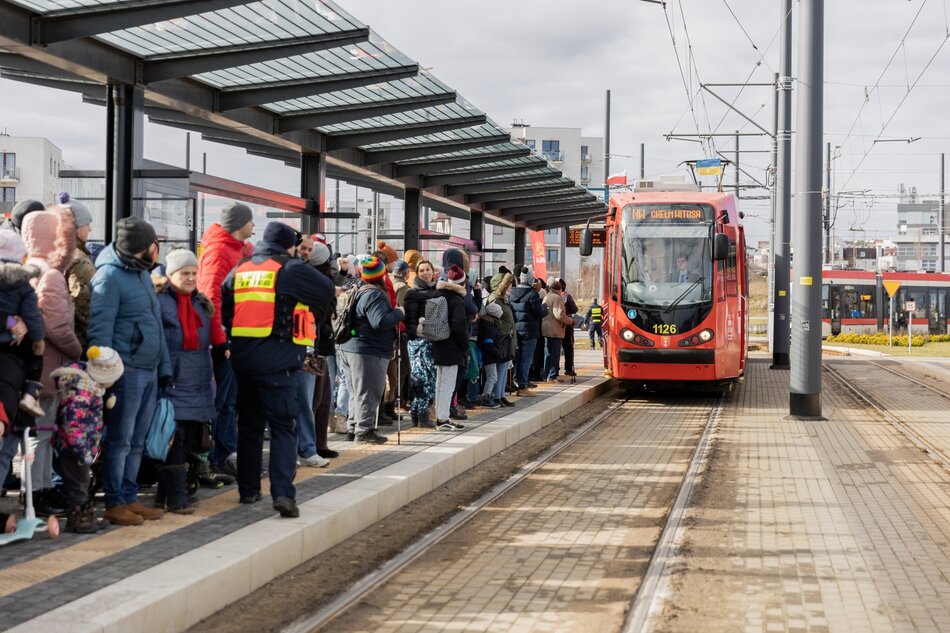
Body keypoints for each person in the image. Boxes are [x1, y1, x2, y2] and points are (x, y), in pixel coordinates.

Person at [221, 222, 334, 517]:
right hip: (279, 361)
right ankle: (283, 494)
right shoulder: (289, 268)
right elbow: (325, 290)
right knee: (284, 427)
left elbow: (226, 310)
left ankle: (248, 490)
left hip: (244, 361)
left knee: (249, 426)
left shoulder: (241, 268)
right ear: (289, 245)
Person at [88, 217, 171, 526]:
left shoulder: (140, 273)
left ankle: (129, 496)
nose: (156, 250)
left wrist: (164, 368)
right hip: (126, 372)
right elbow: (99, 332)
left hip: (148, 369)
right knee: (120, 440)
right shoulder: (109, 277)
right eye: (152, 245)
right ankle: (113, 502)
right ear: (141, 248)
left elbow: (156, 327)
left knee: (136, 440)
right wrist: (106, 377)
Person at [23, 206, 84, 517]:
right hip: (49, 370)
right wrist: (76, 350)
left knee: (32, 435)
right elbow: (57, 326)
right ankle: (39, 492)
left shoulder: (24, 269)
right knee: (43, 434)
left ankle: (38, 491)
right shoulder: (52, 276)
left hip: (27, 370)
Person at [155, 249, 218, 514]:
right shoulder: (160, 302)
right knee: (174, 441)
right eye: (185, 273)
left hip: (198, 382)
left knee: (191, 439)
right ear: (170, 275)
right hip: (173, 381)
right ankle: (176, 498)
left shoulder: (200, 304)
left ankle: (165, 496)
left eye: (194, 273)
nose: (191, 277)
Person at [197, 201, 254, 481]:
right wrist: (222, 340)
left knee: (230, 400)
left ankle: (224, 455)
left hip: (235, 336)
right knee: (221, 401)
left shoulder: (234, 250)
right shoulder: (219, 250)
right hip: (225, 340)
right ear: (239, 223)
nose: (254, 226)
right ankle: (214, 458)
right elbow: (211, 297)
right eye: (250, 221)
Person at [51, 345, 123, 533]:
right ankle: (80, 519)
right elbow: (72, 424)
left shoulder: (92, 388)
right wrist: (82, 450)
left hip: (81, 445)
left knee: (81, 482)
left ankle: (83, 515)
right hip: (74, 446)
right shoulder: (82, 392)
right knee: (79, 483)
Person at [337, 255, 404, 444]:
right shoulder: (373, 294)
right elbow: (379, 322)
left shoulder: (357, 288)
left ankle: (354, 427)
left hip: (349, 346)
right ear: (381, 274)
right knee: (368, 391)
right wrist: (399, 313)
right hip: (367, 350)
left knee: (355, 391)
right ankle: (364, 431)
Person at [0, 229, 46, 500]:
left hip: (11, 363)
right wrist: (34, 336)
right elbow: (33, 318)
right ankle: (31, 392)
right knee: (8, 445)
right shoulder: (24, 285)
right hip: (14, 364)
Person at [291, 233, 329, 469]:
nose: (305, 252)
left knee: (305, 401)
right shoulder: (288, 273)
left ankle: (306, 449)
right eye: (302, 248)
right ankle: (293, 449)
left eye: (309, 249)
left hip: (305, 345)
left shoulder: (309, 274)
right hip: (285, 346)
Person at [307, 241, 339, 460]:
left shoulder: (321, 280)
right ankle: (312, 446)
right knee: (315, 399)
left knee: (323, 398)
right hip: (313, 346)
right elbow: (318, 313)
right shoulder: (314, 283)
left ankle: (319, 443)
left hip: (320, 345)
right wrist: (326, 329)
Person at [431, 265, 469, 431]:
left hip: (437, 344)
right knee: (447, 384)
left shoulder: (437, 295)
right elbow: (459, 326)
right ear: (462, 283)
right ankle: (443, 418)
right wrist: (464, 346)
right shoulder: (456, 300)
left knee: (439, 383)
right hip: (452, 347)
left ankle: (440, 416)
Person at [403, 259, 438, 428]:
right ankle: (422, 416)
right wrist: (417, 331)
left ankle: (418, 415)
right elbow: (409, 319)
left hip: (433, 340)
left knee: (429, 378)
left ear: (433, 272)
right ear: (417, 274)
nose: (425, 273)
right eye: (422, 270)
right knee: (421, 379)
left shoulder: (438, 290)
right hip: (419, 341)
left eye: (428, 269)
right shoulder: (413, 292)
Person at [60, 193, 96, 348]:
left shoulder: (57, 252)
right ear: (76, 226)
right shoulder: (79, 260)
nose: (90, 228)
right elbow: (83, 305)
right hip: (80, 341)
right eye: (87, 223)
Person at [509, 267, 547, 396]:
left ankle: (515, 382)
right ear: (531, 279)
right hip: (529, 332)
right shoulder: (533, 294)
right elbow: (540, 313)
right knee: (526, 359)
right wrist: (545, 306)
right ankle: (522, 387)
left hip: (516, 331)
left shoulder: (512, 292)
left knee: (517, 358)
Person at [486, 271, 516, 407]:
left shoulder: (504, 300)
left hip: (506, 339)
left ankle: (500, 394)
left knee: (504, 368)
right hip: (500, 339)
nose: (510, 287)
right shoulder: (494, 299)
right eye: (508, 284)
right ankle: (496, 396)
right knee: (499, 370)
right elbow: (492, 317)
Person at [541, 280, 574, 382]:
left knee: (548, 353)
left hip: (546, 329)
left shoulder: (546, 297)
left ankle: (545, 374)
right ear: (559, 289)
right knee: (555, 354)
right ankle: (552, 376)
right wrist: (571, 320)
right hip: (555, 330)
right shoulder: (557, 298)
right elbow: (559, 315)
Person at [477, 302, 509, 408]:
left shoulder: (487, 324)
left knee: (492, 377)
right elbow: (488, 344)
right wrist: (498, 353)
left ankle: (487, 396)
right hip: (489, 357)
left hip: (489, 356)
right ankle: (486, 397)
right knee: (492, 377)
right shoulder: (489, 327)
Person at [559, 278, 579, 377]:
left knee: (555, 349)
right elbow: (574, 309)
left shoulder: (553, 296)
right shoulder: (567, 296)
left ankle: (554, 370)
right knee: (568, 349)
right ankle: (569, 369)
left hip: (557, 326)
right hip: (567, 326)